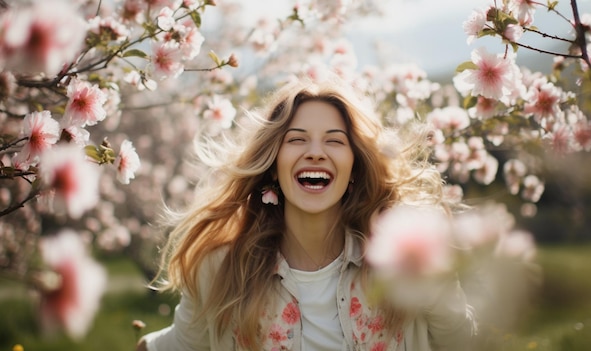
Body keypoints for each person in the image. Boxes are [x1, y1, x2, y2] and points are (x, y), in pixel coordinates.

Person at [136, 75, 477, 351]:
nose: (315, 153)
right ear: (273, 165)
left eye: (334, 141)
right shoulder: (223, 267)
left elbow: (464, 342)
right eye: (297, 140)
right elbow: (179, 344)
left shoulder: (404, 259)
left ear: (354, 165)